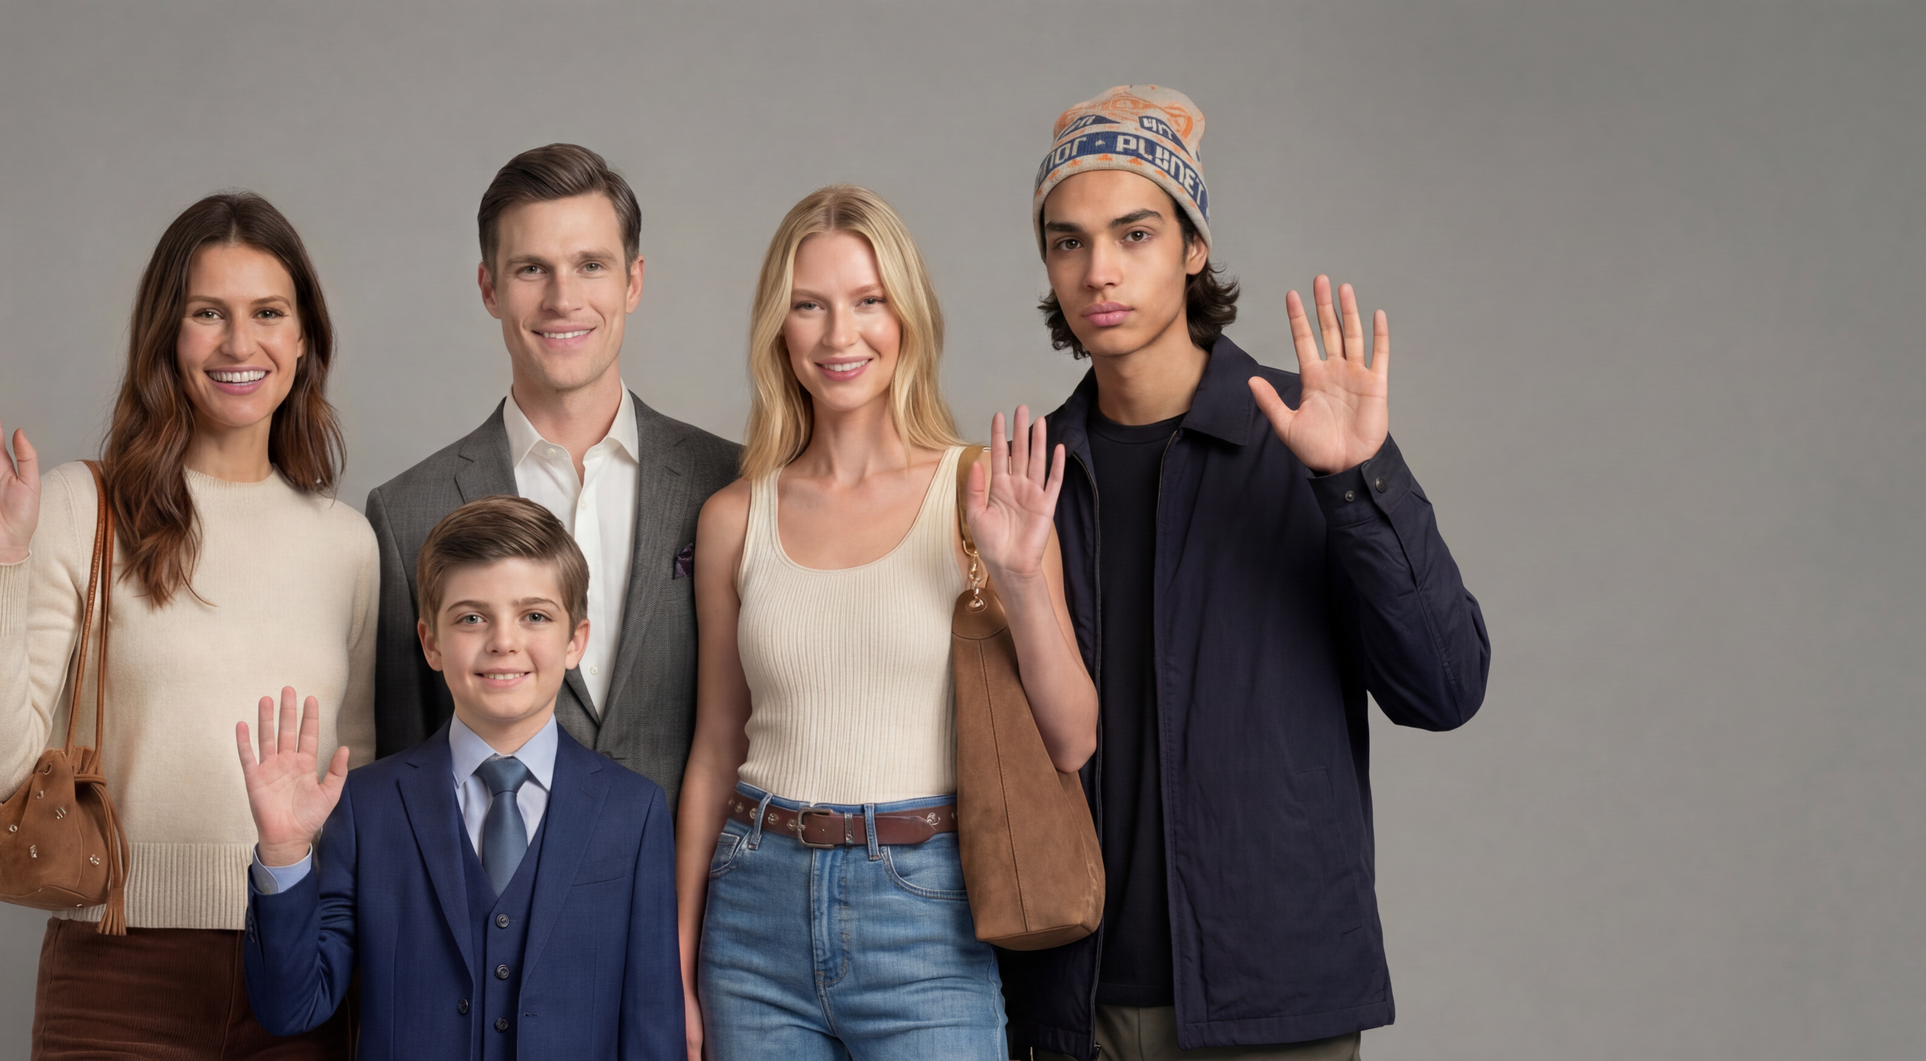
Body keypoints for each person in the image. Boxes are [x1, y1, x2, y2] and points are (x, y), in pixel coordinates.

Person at [997, 86, 1493, 1061]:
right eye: (1067, 242)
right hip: (1066, 1004)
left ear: (1193, 246)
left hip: (1272, 1000)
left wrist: (1356, 481)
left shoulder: (1306, 439)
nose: (1099, 270)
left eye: (1135, 233)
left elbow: (1444, 687)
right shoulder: (1029, 478)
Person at [0, 192, 376, 1060]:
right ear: (166, 335)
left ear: (304, 337)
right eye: (208, 313)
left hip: (299, 972)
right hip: (119, 975)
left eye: (268, 313)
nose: (240, 344)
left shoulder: (347, 543)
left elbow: (360, 792)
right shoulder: (79, 507)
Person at [676, 185, 1100, 1061]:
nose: (841, 335)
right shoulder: (734, 517)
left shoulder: (980, 494)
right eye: (810, 305)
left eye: (868, 301)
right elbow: (715, 748)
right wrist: (676, 966)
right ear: (778, 328)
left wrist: (1021, 577)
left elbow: (1073, 739)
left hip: (925, 910)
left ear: (907, 316)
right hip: (752, 909)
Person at [239, 495, 684, 1061]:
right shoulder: (367, 806)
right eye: (472, 618)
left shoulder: (633, 810)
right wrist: (283, 853)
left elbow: (652, 1029)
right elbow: (291, 1008)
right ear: (431, 643)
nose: (503, 641)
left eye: (535, 616)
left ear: (576, 640)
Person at [366, 143, 742, 803]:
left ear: (633, 282)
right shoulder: (406, 512)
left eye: (590, 265)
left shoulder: (731, 482)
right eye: (531, 269)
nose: (563, 299)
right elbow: (405, 776)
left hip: (690, 868)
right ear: (489, 288)